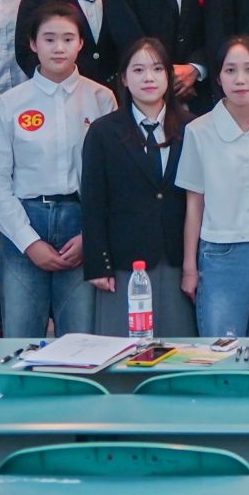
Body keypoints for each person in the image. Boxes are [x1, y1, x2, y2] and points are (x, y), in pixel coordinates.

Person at [0, 1, 114, 338]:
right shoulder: (11, 102)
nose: (59, 48)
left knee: (82, 339)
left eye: (68, 39)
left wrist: (91, 237)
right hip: (24, 224)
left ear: (81, 43)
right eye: (49, 39)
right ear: (32, 43)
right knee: (20, 338)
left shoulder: (102, 99)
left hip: (82, 224)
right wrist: (29, 242)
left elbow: (114, 180)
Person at [79, 37, 195, 337]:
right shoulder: (104, 132)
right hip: (124, 262)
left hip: (177, 257)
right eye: (138, 70)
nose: (148, 78)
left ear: (169, 76)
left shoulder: (192, 128)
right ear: (123, 78)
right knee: (125, 347)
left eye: (157, 69)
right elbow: (93, 202)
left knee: (179, 347)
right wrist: (98, 264)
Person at [174, 35, 249, 340]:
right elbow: (194, 204)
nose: (240, 79)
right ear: (218, 77)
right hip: (221, 252)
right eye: (230, 70)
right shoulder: (199, 131)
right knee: (222, 348)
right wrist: (189, 267)